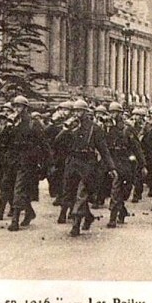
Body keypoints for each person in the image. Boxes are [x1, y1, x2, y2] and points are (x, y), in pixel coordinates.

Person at [55, 99, 117, 237]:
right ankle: (88, 216)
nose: (77, 114)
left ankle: (75, 225)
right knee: (69, 193)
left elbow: (103, 150)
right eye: (75, 111)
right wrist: (65, 131)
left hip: (87, 164)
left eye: (80, 111)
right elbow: (57, 143)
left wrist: (111, 167)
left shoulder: (95, 128)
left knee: (81, 194)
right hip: (72, 163)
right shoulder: (70, 126)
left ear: (86, 112)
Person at [2, 96, 48, 232]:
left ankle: (15, 220)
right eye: (15, 106)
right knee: (11, 187)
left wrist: (46, 164)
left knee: (19, 188)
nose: (16, 109)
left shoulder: (33, 123)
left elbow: (44, 144)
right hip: (13, 160)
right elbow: (0, 140)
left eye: (19, 107)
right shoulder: (12, 122)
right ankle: (29, 212)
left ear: (25, 108)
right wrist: (6, 128)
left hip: (27, 160)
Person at [105, 101, 145, 228]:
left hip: (126, 162)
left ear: (120, 113)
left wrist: (142, 165)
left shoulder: (127, 128)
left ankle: (121, 210)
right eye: (111, 112)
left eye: (115, 112)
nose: (112, 115)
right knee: (115, 189)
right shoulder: (107, 127)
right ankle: (113, 218)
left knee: (125, 190)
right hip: (113, 161)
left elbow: (137, 148)